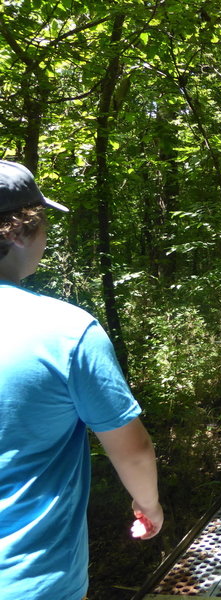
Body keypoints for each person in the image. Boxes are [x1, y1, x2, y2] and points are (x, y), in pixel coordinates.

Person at [0, 160, 163, 600]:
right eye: (43, 222)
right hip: (31, 579)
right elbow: (132, 449)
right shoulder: (66, 331)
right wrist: (149, 506)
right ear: (18, 231)